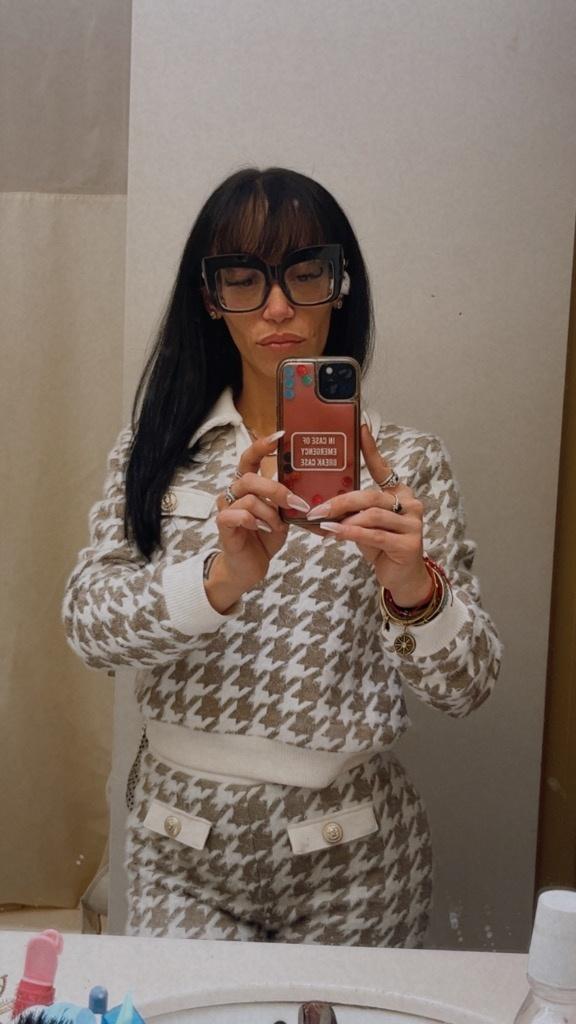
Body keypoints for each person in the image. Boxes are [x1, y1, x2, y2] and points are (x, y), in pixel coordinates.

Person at [63, 166, 501, 947]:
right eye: (243, 278)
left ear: (340, 286)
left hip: (355, 852)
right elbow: (88, 629)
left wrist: (413, 591)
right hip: (178, 845)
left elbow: (467, 687)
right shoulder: (156, 453)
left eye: (304, 273)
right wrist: (218, 580)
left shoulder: (407, 465)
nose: (276, 306)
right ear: (210, 297)